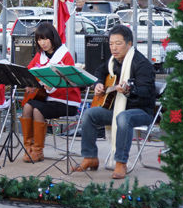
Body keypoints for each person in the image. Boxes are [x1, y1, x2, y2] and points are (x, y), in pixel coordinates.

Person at [73, 24, 156, 179]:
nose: (113, 48)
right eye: (111, 44)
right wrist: (98, 83)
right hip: (116, 108)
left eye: (118, 43)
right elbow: (99, 71)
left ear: (129, 43)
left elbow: (145, 93)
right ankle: (90, 157)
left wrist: (129, 90)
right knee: (89, 114)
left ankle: (120, 162)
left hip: (141, 111)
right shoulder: (113, 62)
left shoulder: (142, 65)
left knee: (124, 117)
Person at [21, 22, 81, 162]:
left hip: (66, 101)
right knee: (27, 106)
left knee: (37, 111)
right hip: (47, 99)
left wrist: (53, 87)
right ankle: (28, 148)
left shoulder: (65, 56)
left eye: (45, 39)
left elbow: (70, 83)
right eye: (39, 39)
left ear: (53, 38)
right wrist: (29, 84)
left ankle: (38, 151)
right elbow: (29, 73)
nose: (42, 43)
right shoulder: (40, 55)